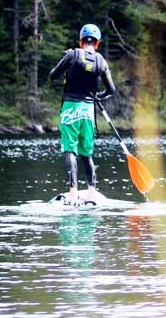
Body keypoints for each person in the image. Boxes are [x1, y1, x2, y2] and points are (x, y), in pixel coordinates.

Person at [48, 23, 118, 204]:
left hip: (70, 109)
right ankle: (92, 191)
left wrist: (65, 60)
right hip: (88, 111)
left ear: (81, 41)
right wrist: (98, 96)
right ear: (97, 43)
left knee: (70, 150)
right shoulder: (101, 62)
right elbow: (111, 90)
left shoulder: (72, 55)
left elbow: (53, 75)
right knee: (86, 152)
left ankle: (73, 192)